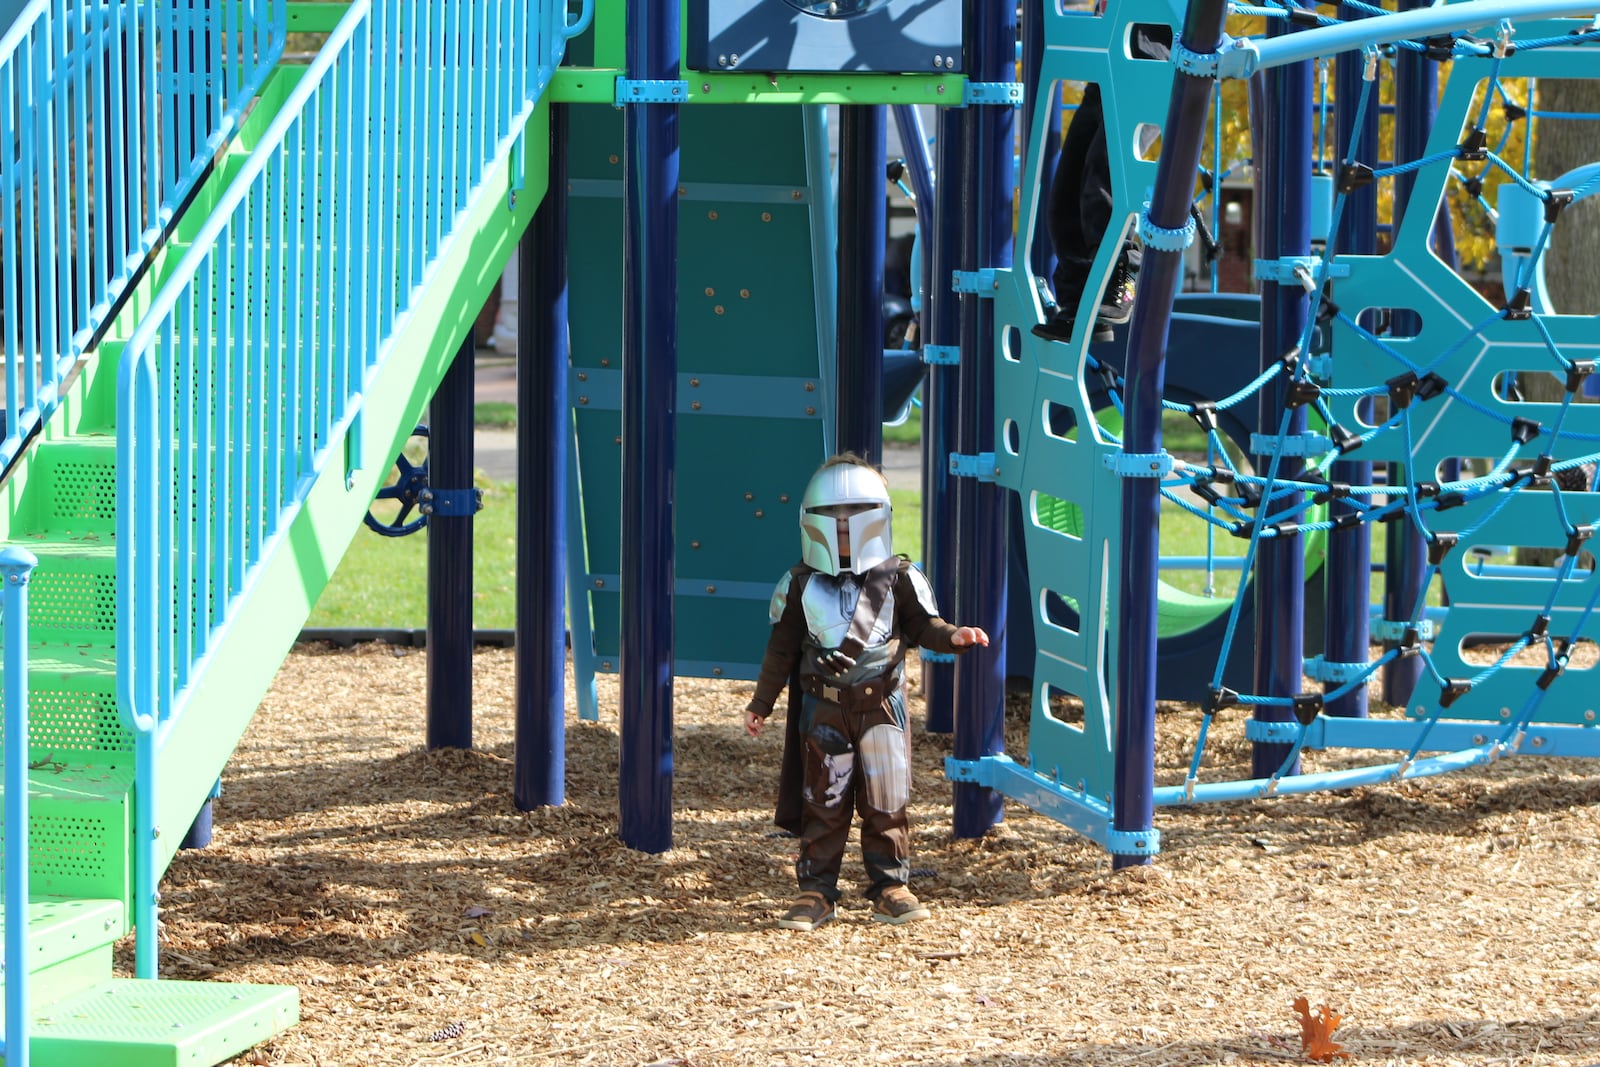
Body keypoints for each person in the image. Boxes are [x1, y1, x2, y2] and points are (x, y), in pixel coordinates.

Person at [744, 454, 989, 931]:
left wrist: (954, 636)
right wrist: (761, 703)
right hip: (825, 709)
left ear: (876, 518)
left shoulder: (898, 577)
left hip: (882, 707)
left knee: (887, 801)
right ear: (812, 522)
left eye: (853, 518)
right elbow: (781, 651)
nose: (843, 531)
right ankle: (816, 892)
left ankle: (889, 887)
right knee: (824, 803)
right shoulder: (800, 584)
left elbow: (925, 625)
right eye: (833, 521)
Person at [1033, 15, 1173, 345]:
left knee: (1105, 175)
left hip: (1151, 59)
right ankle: (1080, 301)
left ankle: (1120, 277)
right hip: (1109, 59)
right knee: (1065, 194)